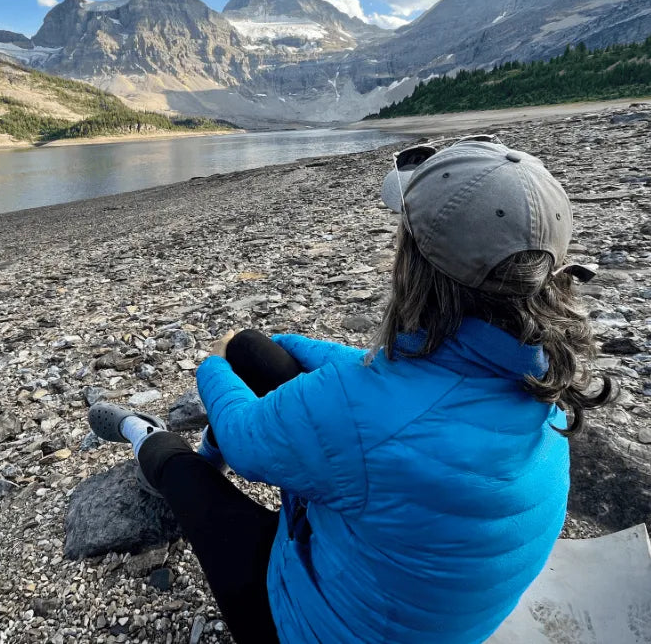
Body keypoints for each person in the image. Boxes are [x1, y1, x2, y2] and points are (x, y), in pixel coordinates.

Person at [88, 137, 612, 644]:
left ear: (416, 269)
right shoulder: (544, 380)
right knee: (258, 352)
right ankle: (209, 445)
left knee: (185, 475)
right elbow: (392, 381)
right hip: (427, 607)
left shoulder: (362, 406)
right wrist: (273, 344)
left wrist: (216, 359)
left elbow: (247, 435)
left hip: (308, 628)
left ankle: (145, 436)